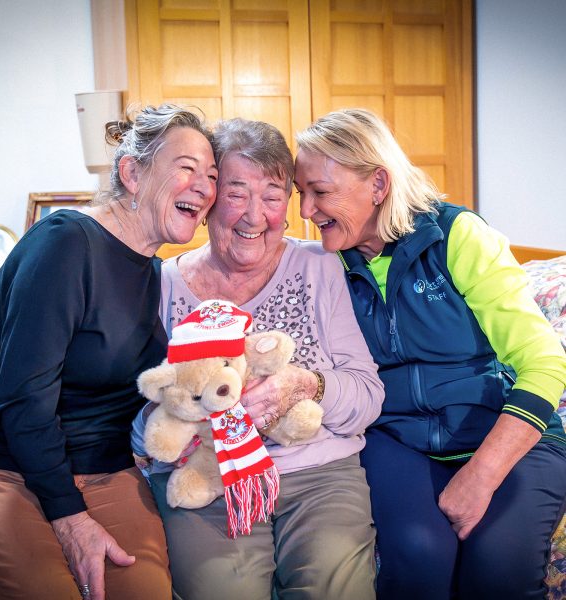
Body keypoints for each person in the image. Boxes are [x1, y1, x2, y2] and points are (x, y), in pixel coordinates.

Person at [294, 107, 566, 599]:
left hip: (501, 432)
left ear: (378, 184)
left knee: (497, 568)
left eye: (320, 192)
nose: (306, 211)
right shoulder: (327, 264)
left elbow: (545, 362)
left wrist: (481, 475)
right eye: (301, 193)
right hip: (396, 437)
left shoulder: (456, 236)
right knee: (419, 554)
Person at [0, 103, 218, 600]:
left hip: (102, 467)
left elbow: (133, 393)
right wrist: (69, 516)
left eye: (211, 175)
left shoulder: (150, 270)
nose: (205, 187)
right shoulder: (66, 245)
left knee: (142, 590)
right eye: (186, 168)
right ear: (131, 173)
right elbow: (22, 400)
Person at [131, 117, 385, 599]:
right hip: (206, 479)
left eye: (272, 196)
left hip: (317, 474)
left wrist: (306, 385)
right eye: (236, 193)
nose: (254, 215)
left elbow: (368, 396)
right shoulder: (160, 283)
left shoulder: (318, 266)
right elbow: (138, 423)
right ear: (207, 200)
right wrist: (188, 411)